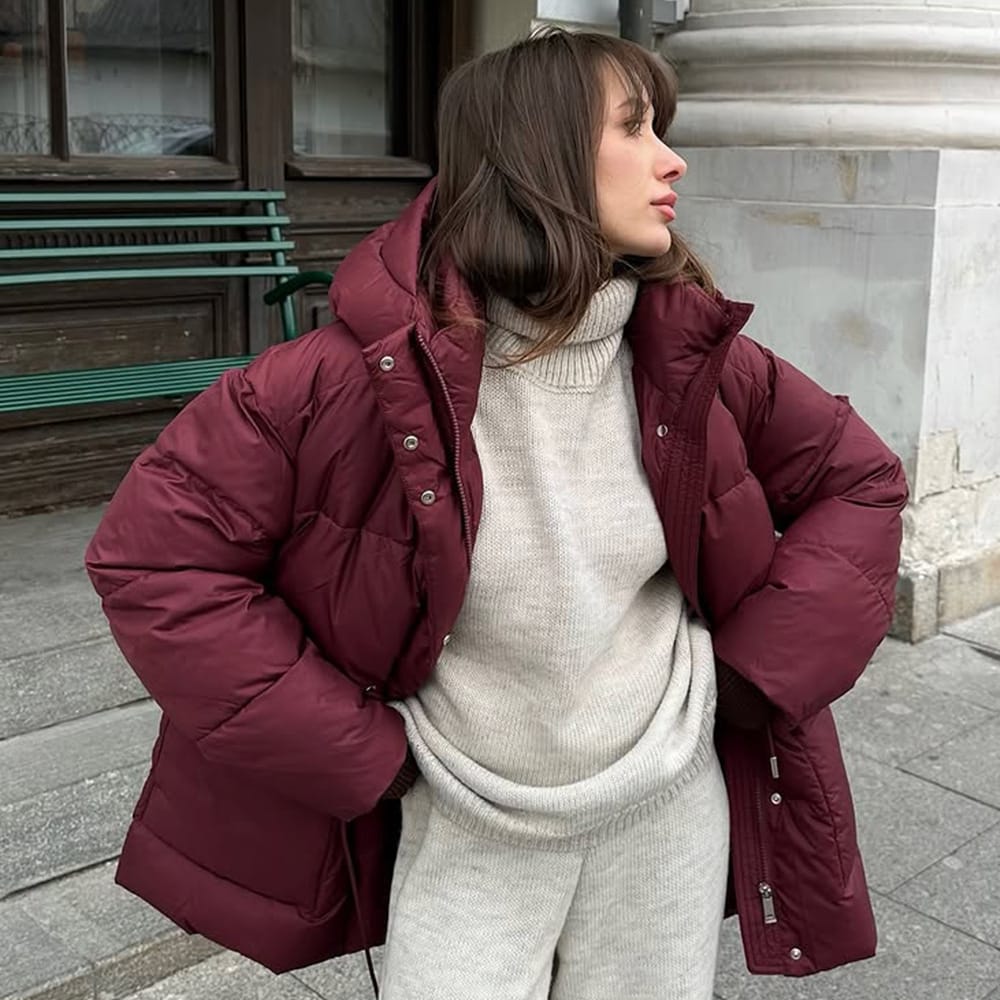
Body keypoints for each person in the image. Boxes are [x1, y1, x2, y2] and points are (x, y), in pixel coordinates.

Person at [85, 27, 907, 1000]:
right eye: (634, 128)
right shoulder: (338, 379)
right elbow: (155, 563)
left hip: (667, 808)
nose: (671, 160)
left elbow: (860, 480)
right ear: (538, 155)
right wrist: (363, 756)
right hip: (467, 823)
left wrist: (751, 677)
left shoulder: (699, 355)